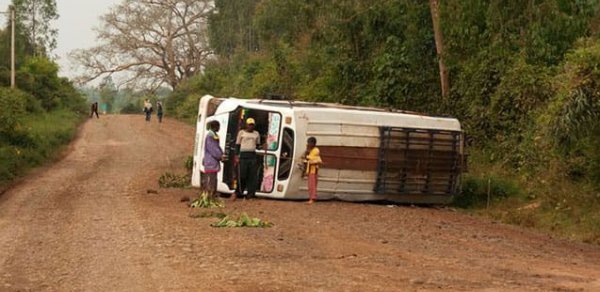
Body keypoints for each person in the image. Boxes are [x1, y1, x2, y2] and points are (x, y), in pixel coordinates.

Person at [233, 117, 261, 201]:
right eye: (249, 125)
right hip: (243, 156)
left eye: (252, 125)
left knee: (252, 176)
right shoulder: (241, 133)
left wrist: (262, 146)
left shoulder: (256, 134)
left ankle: (250, 195)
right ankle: (239, 192)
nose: (251, 126)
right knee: (242, 175)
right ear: (246, 125)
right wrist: (236, 156)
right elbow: (237, 145)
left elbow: (258, 145)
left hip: (252, 156)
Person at [202, 121, 225, 199]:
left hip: (213, 161)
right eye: (218, 126)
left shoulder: (214, 135)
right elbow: (213, 149)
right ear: (215, 127)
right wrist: (220, 156)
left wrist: (222, 154)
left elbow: (217, 147)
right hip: (210, 161)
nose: (219, 128)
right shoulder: (210, 136)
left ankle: (212, 194)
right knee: (210, 179)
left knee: (213, 178)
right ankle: (209, 194)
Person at [304, 136, 322, 204]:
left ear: (313, 143)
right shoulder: (311, 150)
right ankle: (311, 197)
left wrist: (307, 154)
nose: (308, 144)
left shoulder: (315, 150)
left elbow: (310, 158)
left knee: (312, 185)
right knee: (310, 185)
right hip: (310, 170)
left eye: (309, 143)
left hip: (313, 170)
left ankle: (313, 198)